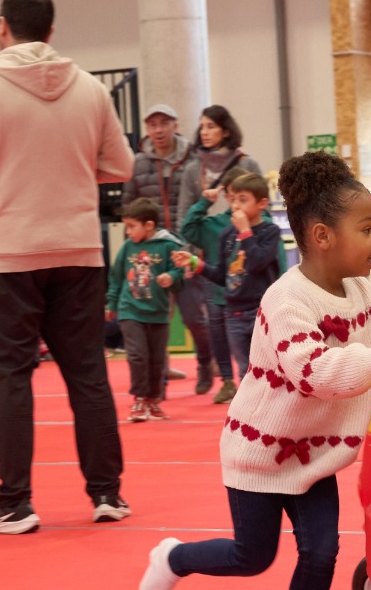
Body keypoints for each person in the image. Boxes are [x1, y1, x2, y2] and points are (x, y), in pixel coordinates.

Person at [137, 150, 371, 590]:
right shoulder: (286, 301)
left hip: (314, 456)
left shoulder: (364, 294)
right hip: (261, 454)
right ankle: (173, 558)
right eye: (368, 228)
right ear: (324, 236)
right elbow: (315, 372)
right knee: (251, 556)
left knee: (322, 553)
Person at [0, 0, 136, 533]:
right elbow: (120, 165)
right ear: (52, 31)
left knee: (9, 379)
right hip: (78, 250)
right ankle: (108, 494)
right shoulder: (92, 89)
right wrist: (73, 169)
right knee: (88, 376)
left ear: (2, 26)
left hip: (6, 254)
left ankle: (14, 502)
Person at [123, 103, 209, 392]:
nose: (158, 130)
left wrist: (196, 244)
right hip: (151, 253)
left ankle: (204, 364)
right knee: (153, 318)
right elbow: (129, 204)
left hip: (185, 248)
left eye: (164, 123)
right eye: (152, 125)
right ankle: (156, 381)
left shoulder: (193, 159)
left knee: (194, 317)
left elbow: (201, 203)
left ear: (175, 125)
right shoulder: (138, 163)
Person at [172, 171, 281, 381]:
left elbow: (258, 262)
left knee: (267, 368)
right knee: (245, 370)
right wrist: (196, 263)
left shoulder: (270, 231)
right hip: (234, 313)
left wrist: (245, 232)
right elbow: (223, 276)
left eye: (243, 200)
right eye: (233, 200)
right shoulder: (227, 234)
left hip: (260, 311)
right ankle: (249, 413)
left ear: (261, 203)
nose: (236, 205)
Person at [107, 197, 185, 423]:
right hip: (130, 311)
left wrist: (170, 277)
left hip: (158, 313)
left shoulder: (169, 246)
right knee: (138, 355)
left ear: (149, 225)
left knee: (156, 359)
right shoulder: (128, 248)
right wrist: (111, 303)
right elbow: (116, 277)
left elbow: (180, 276)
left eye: (132, 226)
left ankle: (153, 399)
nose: (128, 231)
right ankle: (139, 398)